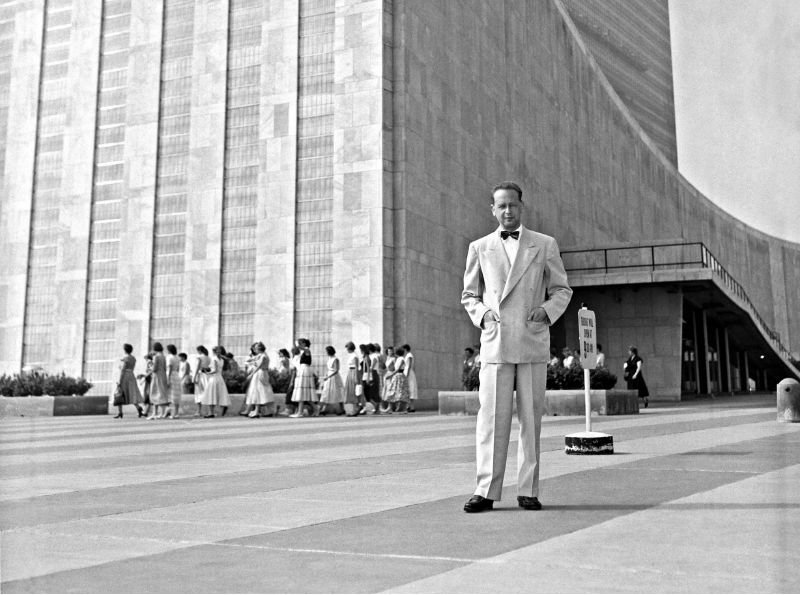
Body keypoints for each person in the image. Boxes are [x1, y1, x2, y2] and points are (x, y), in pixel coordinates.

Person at [461, 181, 572, 513]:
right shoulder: (479, 247)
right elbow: (469, 295)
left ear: (521, 207)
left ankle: (528, 488)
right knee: (491, 420)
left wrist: (547, 311)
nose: (507, 211)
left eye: (512, 205)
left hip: (531, 338)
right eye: (501, 206)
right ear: (492, 210)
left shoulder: (544, 244)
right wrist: (483, 316)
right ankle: (485, 488)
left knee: (530, 419)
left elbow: (562, 290)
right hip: (496, 342)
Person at [243, 342, 275, 417]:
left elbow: (259, 366)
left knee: (257, 391)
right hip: (264, 373)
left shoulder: (262, 356)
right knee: (263, 391)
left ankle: (256, 411)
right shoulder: (262, 355)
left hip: (260, 373)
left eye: (256, 348)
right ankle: (266, 411)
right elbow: (253, 361)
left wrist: (251, 374)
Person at [112, 343, 144, 418]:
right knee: (131, 393)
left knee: (120, 393)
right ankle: (138, 408)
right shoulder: (133, 358)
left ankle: (120, 412)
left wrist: (119, 380)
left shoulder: (125, 358)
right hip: (131, 375)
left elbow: (123, 370)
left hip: (125, 376)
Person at [290, 338, 318, 417]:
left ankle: (300, 412)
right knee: (303, 391)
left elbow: (301, 349)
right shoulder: (303, 351)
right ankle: (314, 408)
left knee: (302, 390)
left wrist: (297, 345)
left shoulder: (307, 350)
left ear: (304, 344)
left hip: (305, 370)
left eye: (301, 343)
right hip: (302, 370)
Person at [202, 346, 231, 417]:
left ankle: (211, 412)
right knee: (220, 394)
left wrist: (207, 373)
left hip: (214, 378)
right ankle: (222, 408)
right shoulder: (222, 360)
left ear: (214, 352)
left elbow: (215, 370)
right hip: (220, 378)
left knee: (211, 394)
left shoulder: (214, 359)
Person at [319, 345, 345, 415]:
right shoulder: (329, 359)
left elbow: (336, 370)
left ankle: (341, 409)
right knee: (327, 392)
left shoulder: (335, 359)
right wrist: (326, 375)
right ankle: (324, 408)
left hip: (334, 377)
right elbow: (328, 369)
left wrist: (328, 376)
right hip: (329, 376)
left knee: (336, 392)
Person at [384, 346, 410, 412]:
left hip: (399, 375)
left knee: (400, 391)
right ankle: (391, 407)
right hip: (397, 376)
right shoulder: (398, 359)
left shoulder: (401, 359)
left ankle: (403, 408)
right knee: (393, 390)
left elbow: (398, 369)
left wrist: (391, 375)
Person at [148, 342, 170, 419]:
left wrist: (150, 367)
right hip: (163, 375)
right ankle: (161, 412)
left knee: (154, 393)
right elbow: (164, 367)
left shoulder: (156, 357)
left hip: (156, 376)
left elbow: (154, 369)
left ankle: (156, 413)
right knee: (161, 393)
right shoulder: (163, 356)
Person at [342, 341, 361, 416]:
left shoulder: (354, 356)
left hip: (353, 372)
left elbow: (356, 366)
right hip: (350, 372)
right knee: (350, 391)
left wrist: (356, 376)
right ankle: (353, 409)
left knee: (353, 391)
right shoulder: (351, 355)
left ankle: (355, 409)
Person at [193, 346, 211, 417]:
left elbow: (197, 368)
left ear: (199, 350)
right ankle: (208, 411)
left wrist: (194, 377)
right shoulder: (208, 358)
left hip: (200, 375)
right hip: (207, 376)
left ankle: (198, 411)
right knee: (207, 393)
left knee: (198, 393)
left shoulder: (199, 358)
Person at [166, 344, 181, 419]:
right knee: (176, 395)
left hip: (171, 375)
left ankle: (172, 413)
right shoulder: (177, 358)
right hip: (176, 375)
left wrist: (168, 379)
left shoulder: (169, 358)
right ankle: (176, 412)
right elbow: (178, 368)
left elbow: (169, 369)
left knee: (171, 395)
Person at [402, 344, 418, 412]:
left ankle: (411, 407)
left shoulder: (409, 355)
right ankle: (409, 406)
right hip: (407, 372)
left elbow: (409, 366)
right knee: (408, 390)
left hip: (409, 373)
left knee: (410, 389)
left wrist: (407, 374)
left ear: (405, 349)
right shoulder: (407, 355)